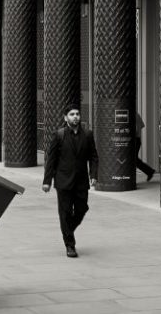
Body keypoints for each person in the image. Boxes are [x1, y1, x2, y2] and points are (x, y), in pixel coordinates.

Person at [42, 105, 98, 258]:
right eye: (72, 114)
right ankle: (70, 245)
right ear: (65, 117)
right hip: (63, 181)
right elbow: (51, 160)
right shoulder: (59, 135)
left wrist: (93, 175)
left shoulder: (87, 134)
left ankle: (67, 229)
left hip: (81, 181)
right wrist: (47, 181)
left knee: (82, 209)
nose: (75, 117)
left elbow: (93, 156)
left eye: (77, 114)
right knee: (65, 213)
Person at [134, 113, 156, 182]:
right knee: (134, 159)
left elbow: (137, 129)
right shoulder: (136, 115)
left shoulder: (133, 115)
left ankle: (149, 171)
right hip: (137, 140)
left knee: (133, 159)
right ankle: (149, 171)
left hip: (134, 140)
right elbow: (142, 125)